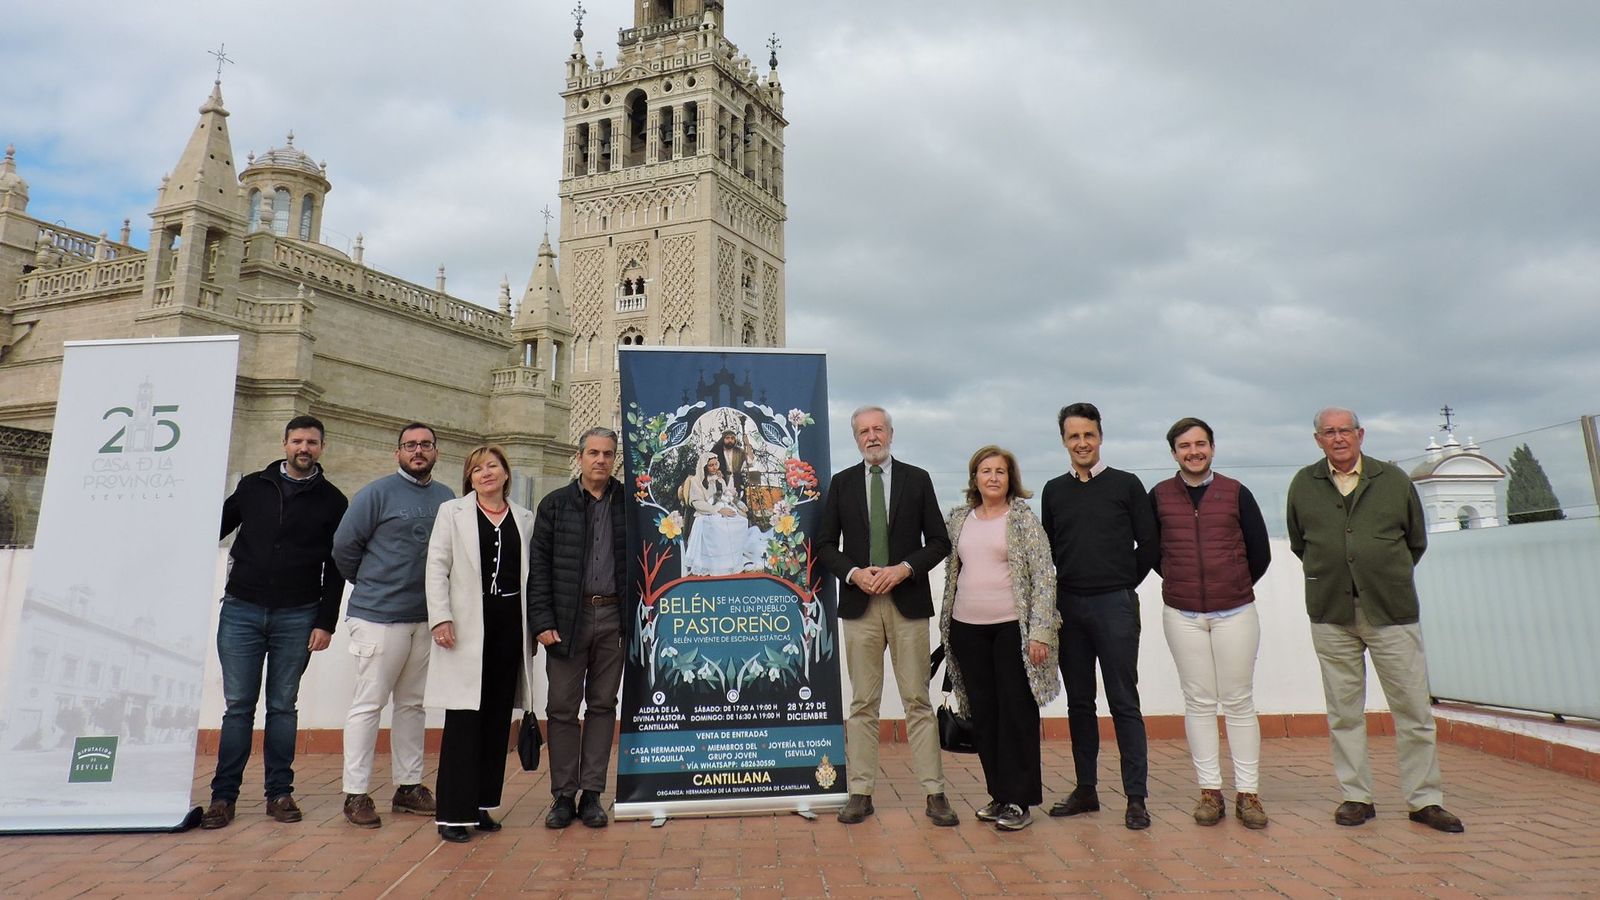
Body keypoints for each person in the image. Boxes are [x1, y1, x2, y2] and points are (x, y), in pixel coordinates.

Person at [1286, 407, 1464, 834]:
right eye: (1328, 432)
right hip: (1331, 613)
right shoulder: (1303, 484)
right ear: (1318, 440)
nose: (1338, 438)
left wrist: (1384, 573)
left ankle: (1425, 800)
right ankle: (1356, 796)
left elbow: (1415, 541)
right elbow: (1300, 543)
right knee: (1344, 712)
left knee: (1413, 709)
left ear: (1360, 434)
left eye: (1345, 430)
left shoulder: (1393, 480)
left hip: (1391, 611)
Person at [202, 415, 348, 829]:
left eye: (313, 442)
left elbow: (335, 569)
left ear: (322, 447)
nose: (305, 448)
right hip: (242, 610)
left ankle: (279, 793)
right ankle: (223, 797)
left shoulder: (334, 501)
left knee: (283, 707)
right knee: (238, 709)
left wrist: (326, 622)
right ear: (284, 443)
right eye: (298, 441)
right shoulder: (252, 486)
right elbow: (212, 528)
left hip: (299, 615)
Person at [817, 406, 957, 826]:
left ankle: (934, 793)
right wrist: (855, 573)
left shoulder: (917, 479)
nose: (872, 436)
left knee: (917, 699)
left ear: (891, 434)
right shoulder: (841, 485)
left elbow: (939, 541)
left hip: (907, 602)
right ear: (855, 438)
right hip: (860, 605)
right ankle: (860, 792)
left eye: (878, 429)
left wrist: (903, 569)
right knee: (863, 703)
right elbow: (824, 545)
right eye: (864, 431)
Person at [1040, 402, 1159, 830]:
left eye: (1088, 434)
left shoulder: (1127, 485)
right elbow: (1048, 549)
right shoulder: (1053, 490)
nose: (1082, 443)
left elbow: (1149, 545)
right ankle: (1086, 789)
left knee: (1124, 702)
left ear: (1100, 437)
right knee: (1079, 703)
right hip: (1069, 607)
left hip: (1116, 605)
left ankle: (1136, 797)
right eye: (1074, 436)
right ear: (1064, 442)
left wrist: (1122, 582)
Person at [1149, 417, 1272, 829]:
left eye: (1201, 444)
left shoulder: (1236, 493)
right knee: (1199, 702)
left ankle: (1249, 794)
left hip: (1235, 610)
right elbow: (1153, 551)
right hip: (1182, 614)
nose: (1194, 451)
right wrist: (1183, 582)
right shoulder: (1160, 496)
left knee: (1238, 701)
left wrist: (1231, 584)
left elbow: (1260, 552)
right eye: (1185, 446)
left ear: (1213, 448)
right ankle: (1210, 792)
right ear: (1174, 453)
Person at [332, 423, 455, 828]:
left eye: (425, 445)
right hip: (377, 618)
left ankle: (408, 787)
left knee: (412, 705)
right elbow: (343, 549)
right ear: (397, 452)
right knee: (368, 705)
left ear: (436, 451)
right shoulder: (376, 494)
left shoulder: (446, 498)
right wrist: (374, 584)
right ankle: (356, 792)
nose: (417, 451)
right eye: (409, 445)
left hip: (425, 619)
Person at [938, 446, 1059, 832]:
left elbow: (1043, 579)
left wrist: (1039, 631)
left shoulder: (1023, 520)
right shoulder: (959, 519)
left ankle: (1020, 799)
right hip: (966, 629)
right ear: (974, 478)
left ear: (1011, 479)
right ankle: (998, 794)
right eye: (985, 471)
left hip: (1012, 629)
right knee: (984, 714)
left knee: (1017, 713)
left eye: (1000, 472)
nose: (993, 477)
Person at [424, 445, 537, 843]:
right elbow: (437, 566)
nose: (485, 473)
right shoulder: (451, 513)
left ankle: (483, 804)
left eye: (492, 466)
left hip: (509, 626)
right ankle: (454, 813)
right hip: (467, 626)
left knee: (495, 719)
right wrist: (441, 617)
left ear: (506, 473)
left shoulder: (524, 518)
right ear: (469, 479)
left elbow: (531, 578)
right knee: (463, 721)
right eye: (476, 469)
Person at [527, 426, 628, 829]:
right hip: (569, 620)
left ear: (615, 459)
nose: (600, 460)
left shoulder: (630, 505)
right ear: (579, 456)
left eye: (608, 454)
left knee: (603, 706)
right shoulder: (554, 505)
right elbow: (539, 570)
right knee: (563, 709)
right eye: (593, 453)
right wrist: (542, 620)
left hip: (615, 618)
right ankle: (563, 796)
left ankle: (592, 795)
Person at [682, 454, 752, 576]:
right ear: (704, 467)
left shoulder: (719, 479)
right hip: (706, 512)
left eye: (715, 464)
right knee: (717, 525)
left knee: (739, 521)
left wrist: (738, 504)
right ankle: (717, 564)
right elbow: (697, 502)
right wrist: (717, 510)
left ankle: (733, 561)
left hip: (722, 507)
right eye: (710, 465)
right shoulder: (696, 481)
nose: (714, 468)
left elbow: (727, 495)